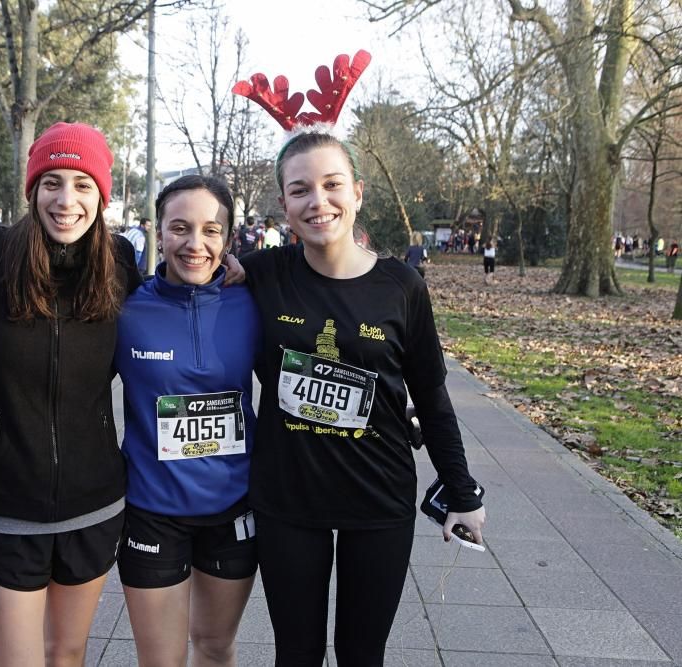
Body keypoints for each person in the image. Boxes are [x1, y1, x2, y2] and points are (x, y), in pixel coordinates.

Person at [233, 53, 485, 666]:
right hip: (288, 498)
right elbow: (192, 272)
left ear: (357, 193)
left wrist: (462, 490)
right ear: (284, 205)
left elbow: (430, 391)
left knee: (361, 654)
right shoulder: (261, 274)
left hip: (380, 496)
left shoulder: (401, 286)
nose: (317, 202)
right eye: (300, 190)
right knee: (296, 652)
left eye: (331, 185)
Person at [0, 122, 142, 667]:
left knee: (68, 653)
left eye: (83, 186)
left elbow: (180, 292)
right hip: (4, 508)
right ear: (31, 190)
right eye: (52, 182)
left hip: (95, 504)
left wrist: (241, 272)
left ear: (101, 196)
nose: (66, 200)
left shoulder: (119, 264)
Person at [114, 175, 260, 666]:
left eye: (211, 230)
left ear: (229, 238)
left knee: (216, 647)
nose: (194, 244)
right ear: (158, 231)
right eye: (179, 228)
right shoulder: (128, 309)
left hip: (232, 508)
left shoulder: (254, 300)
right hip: (152, 511)